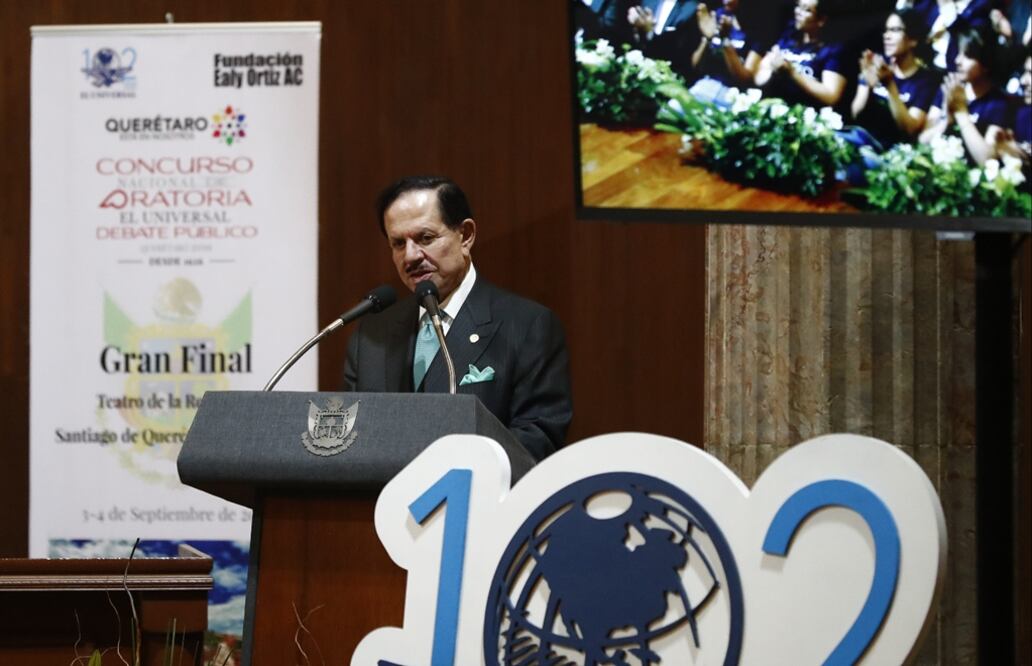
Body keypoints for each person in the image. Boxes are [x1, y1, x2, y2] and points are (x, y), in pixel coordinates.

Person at [342, 176, 573, 462]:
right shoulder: (372, 336)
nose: (410, 256)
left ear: (465, 235)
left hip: (479, 499)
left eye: (425, 238)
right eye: (398, 243)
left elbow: (538, 438)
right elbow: (353, 440)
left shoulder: (526, 326)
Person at [919, 26, 1014, 164]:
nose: (958, 60)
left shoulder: (998, 104)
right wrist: (946, 122)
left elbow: (987, 160)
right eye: (959, 53)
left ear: (985, 62)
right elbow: (922, 141)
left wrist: (961, 112)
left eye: (968, 56)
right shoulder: (950, 88)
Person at [850, 9, 942, 149]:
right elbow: (855, 114)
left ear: (913, 40)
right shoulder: (878, 64)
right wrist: (866, 85)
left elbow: (909, 131)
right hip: (859, 138)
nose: (887, 36)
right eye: (886, 30)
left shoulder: (926, 81)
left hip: (890, 151)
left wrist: (890, 85)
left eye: (895, 30)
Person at [754, 0, 849, 111]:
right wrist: (771, 67)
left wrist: (792, 73)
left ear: (821, 20)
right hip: (775, 108)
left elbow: (831, 96)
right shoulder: (788, 37)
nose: (798, 12)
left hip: (806, 115)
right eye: (798, 7)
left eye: (806, 10)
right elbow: (758, 78)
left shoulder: (833, 49)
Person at [688, 0, 763, 106]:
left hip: (733, 96)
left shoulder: (757, 28)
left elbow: (745, 80)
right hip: (705, 85)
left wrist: (725, 41)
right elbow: (695, 66)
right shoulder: (717, 16)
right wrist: (707, 38)